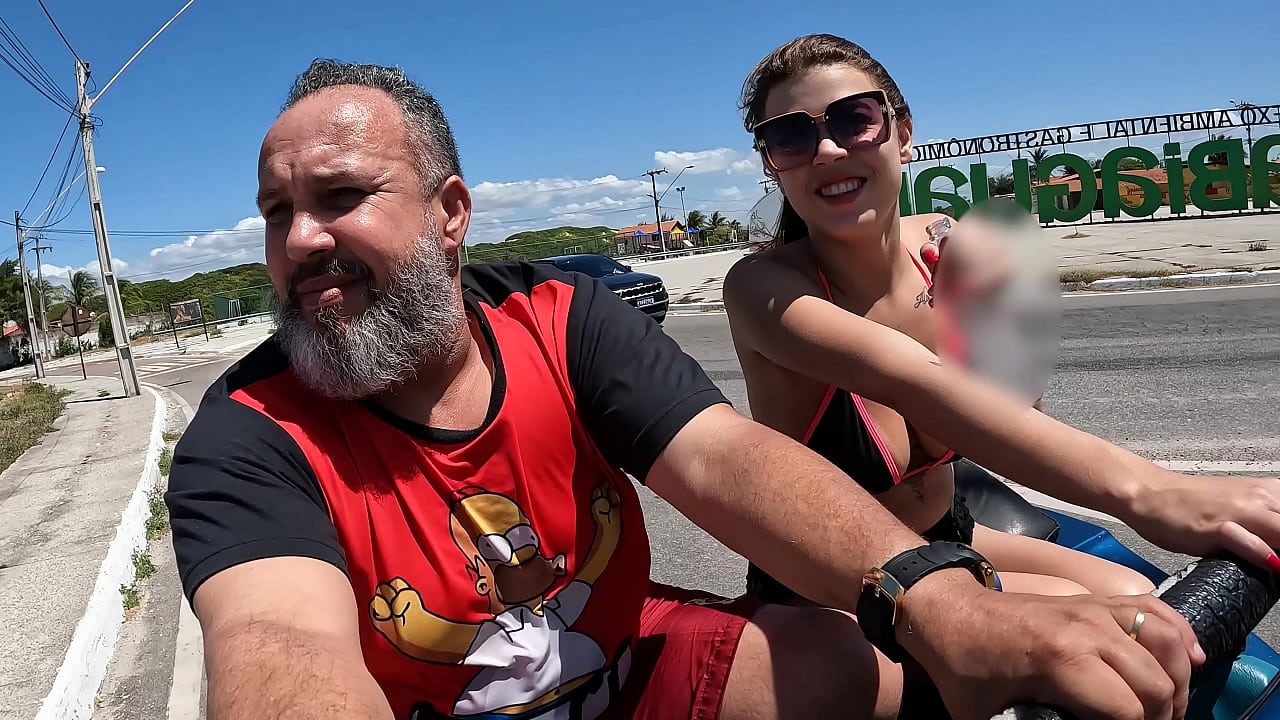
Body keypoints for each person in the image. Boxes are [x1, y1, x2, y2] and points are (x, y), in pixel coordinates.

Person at [168, 58, 1204, 720]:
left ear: (449, 213)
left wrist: (933, 596)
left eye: (340, 198)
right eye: (275, 212)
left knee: (878, 666)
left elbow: (718, 456)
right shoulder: (244, 433)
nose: (300, 241)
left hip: (630, 665)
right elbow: (278, 648)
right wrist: (1134, 493)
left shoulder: (560, 318)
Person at [722, 34, 1280, 606]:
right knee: (1117, 618)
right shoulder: (762, 288)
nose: (828, 151)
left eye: (853, 119)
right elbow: (911, 380)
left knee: (1137, 588)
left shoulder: (943, 240)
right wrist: (1154, 491)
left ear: (903, 133)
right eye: (791, 135)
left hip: (947, 532)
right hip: (835, 581)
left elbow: (1016, 407)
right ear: (773, 164)